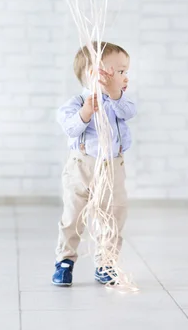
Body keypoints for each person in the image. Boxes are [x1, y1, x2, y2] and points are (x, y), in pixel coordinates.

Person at [52, 41, 137, 286]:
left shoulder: (120, 101)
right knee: (73, 215)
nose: (125, 77)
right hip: (82, 167)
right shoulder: (75, 104)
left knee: (113, 214)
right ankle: (65, 261)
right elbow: (70, 127)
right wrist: (86, 113)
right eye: (120, 71)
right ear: (95, 74)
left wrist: (114, 93)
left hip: (112, 167)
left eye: (125, 72)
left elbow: (129, 112)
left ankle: (106, 261)